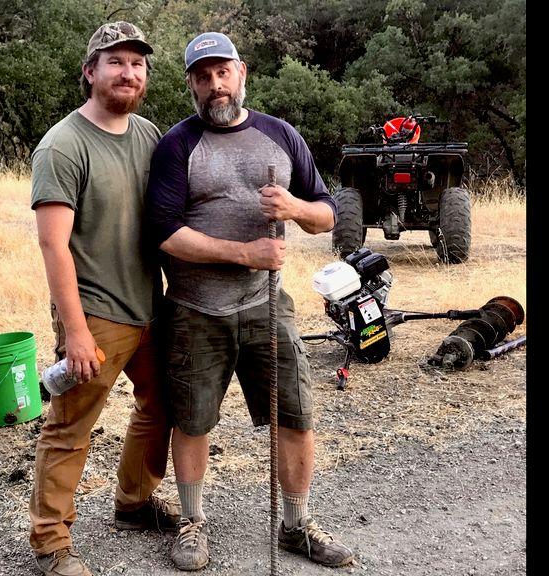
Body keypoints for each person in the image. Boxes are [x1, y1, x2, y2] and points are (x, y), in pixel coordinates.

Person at [145, 32, 356, 570]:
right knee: (192, 422)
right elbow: (165, 233)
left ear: (242, 73)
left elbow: (328, 213)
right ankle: (192, 522)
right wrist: (246, 253)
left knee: (296, 416)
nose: (215, 85)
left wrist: (293, 207)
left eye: (223, 73)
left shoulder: (280, 135)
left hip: (267, 307)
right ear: (191, 84)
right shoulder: (177, 145)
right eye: (202, 76)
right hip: (195, 309)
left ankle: (296, 526)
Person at [29, 21, 180, 576]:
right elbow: (53, 244)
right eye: (115, 61)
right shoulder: (62, 145)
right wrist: (74, 331)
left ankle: (134, 502)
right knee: (71, 426)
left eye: (137, 63)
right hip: (94, 313)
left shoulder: (148, 135)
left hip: (150, 307)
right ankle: (50, 543)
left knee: (161, 407)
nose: (128, 72)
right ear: (90, 72)